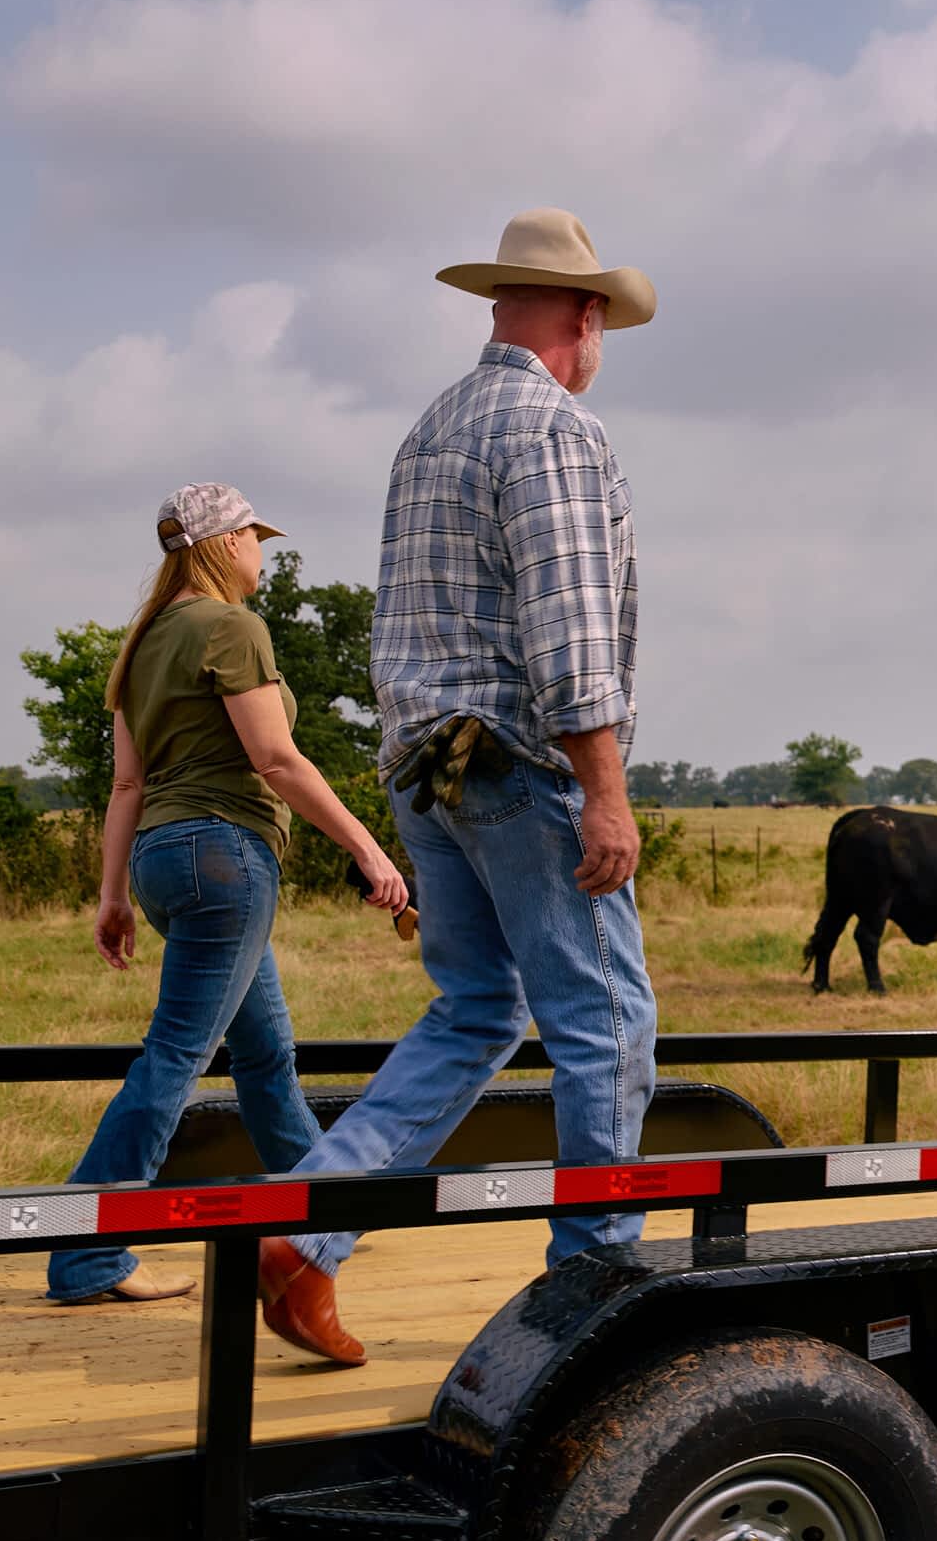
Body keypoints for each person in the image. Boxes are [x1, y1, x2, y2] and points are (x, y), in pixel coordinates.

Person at [256, 209, 660, 1366]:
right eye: (602, 324)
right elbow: (570, 626)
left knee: (480, 1007)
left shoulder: (433, 429)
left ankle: (309, 1225)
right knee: (608, 1021)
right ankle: (594, 1285)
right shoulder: (552, 429)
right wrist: (606, 789)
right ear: (584, 317)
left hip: (421, 768)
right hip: (519, 763)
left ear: (501, 304)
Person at [48, 484, 411, 1304]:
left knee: (264, 1055)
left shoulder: (141, 644)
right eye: (254, 535)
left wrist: (110, 895)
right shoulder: (232, 628)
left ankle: (319, 1214)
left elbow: (127, 784)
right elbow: (277, 761)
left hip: (161, 860)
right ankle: (85, 1251)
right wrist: (368, 850)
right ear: (222, 543)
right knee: (176, 1056)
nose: (262, 550)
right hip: (226, 855)